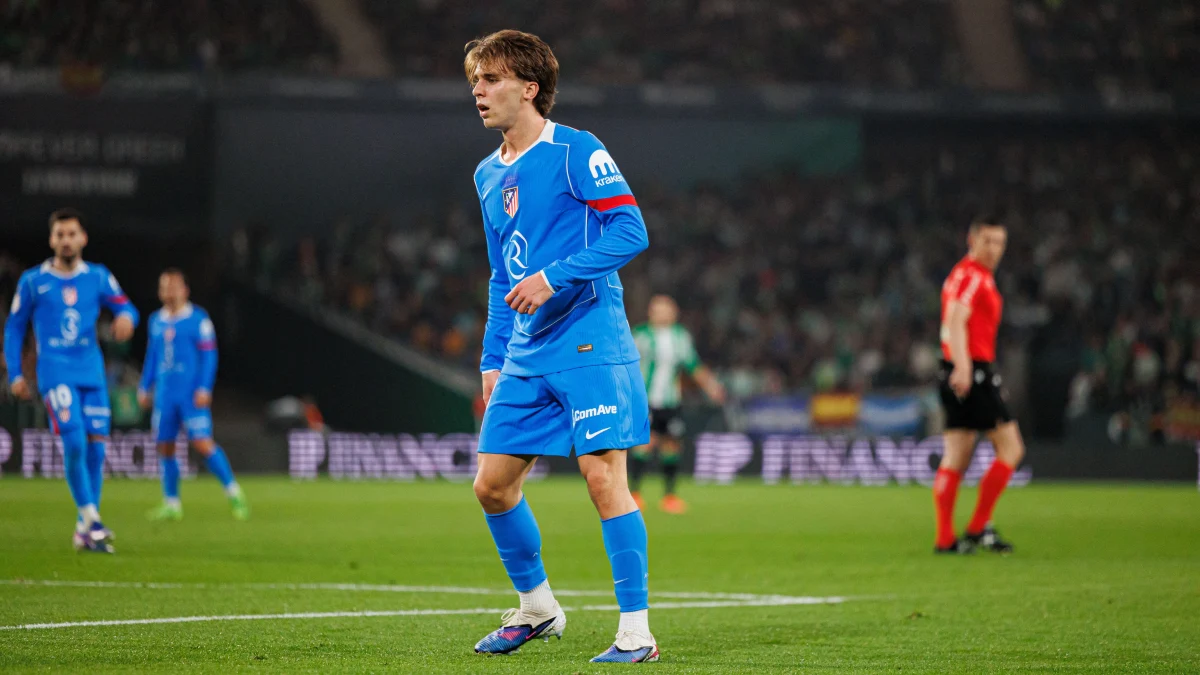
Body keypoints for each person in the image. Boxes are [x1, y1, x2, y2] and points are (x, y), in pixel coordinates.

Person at [466, 30, 657, 663]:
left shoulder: (576, 149)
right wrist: (494, 357)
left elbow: (630, 231)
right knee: (492, 486)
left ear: (529, 87)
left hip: (589, 336)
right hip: (526, 348)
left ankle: (636, 630)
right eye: (475, 81)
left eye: (490, 79)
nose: (478, 91)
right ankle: (539, 608)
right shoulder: (487, 173)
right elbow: (501, 274)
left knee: (602, 476)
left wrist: (556, 276)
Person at [3, 208, 139, 553]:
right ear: (51, 240)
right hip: (55, 372)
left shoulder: (98, 276)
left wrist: (126, 318)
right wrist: (16, 373)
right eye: (59, 234)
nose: (66, 240)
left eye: (71, 233)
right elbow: (14, 328)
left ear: (83, 238)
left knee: (96, 448)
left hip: (91, 373)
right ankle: (92, 519)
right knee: (75, 443)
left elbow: (127, 307)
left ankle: (83, 530)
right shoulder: (34, 281)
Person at [933, 214, 1025, 554]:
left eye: (999, 242)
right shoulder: (974, 277)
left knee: (956, 456)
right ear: (971, 240)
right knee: (1012, 449)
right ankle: (975, 527)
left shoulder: (958, 274)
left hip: (956, 367)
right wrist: (964, 367)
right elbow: (956, 321)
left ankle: (946, 539)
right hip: (972, 370)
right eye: (987, 241)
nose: (994, 249)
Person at [138, 269, 248, 521]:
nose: (169, 291)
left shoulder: (199, 319)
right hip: (165, 394)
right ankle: (172, 503)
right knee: (164, 446)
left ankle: (234, 492)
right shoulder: (156, 320)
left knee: (202, 442)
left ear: (185, 290)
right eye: (164, 286)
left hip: (190, 394)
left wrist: (204, 388)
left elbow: (210, 356)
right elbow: (152, 357)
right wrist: (145, 386)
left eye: (174, 286)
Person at [629, 294, 726, 514]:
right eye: (658, 308)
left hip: (671, 401)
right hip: (646, 399)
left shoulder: (680, 336)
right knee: (645, 443)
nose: (662, 312)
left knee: (671, 445)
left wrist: (711, 386)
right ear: (650, 312)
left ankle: (669, 496)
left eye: (666, 308)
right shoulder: (640, 335)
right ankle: (634, 494)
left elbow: (693, 365)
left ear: (674, 312)